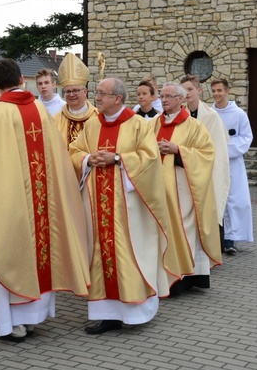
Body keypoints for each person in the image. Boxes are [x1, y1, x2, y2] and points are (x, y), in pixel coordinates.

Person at [0, 58, 90, 343]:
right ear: (22, 80)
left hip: (8, 201)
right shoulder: (40, 112)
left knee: (7, 252)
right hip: (42, 202)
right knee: (38, 252)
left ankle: (13, 325)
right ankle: (33, 318)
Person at [69, 77, 177, 335]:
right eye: (97, 93)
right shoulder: (92, 124)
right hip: (97, 205)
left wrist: (117, 158)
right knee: (99, 253)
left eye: (102, 94)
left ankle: (134, 312)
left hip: (129, 208)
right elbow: (74, 150)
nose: (97, 97)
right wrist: (87, 159)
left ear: (117, 98)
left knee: (128, 254)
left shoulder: (138, 124)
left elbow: (150, 159)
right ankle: (107, 314)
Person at [155, 83, 222, 295]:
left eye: (168, 96)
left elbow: (206, 155)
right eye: (162, 96)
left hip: (183, 189)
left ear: (180, 100)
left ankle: (186, 277)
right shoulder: (153, 125)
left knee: (183, 230)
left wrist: (178, 150)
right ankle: (164, 276)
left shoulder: (194, 126)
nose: (163, 100)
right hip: (158, 188)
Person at [181, 75, 231, 255]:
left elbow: (219, 144)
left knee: (211, 205)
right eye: (184, 90)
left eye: (190, 89)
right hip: (186, 167)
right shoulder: (180, 114)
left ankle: (212, 249)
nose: (186, 94)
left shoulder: (211, 116)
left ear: (199, 91)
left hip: (206, 168)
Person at [210, 78, 254, 255]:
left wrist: (224, 148)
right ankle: (215, 238)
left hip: (232, 162)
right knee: (215, 199)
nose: (216, 94)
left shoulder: (239, 114)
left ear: (227, 91)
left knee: (235, 200)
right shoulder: (209, 113)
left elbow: (246, 137)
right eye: (213, 91)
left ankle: (231, 238)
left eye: (219, 90)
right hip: (212, 162)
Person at [53, 53, 98, 148]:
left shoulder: (98, 117)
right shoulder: (56, 119)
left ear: (85, 91)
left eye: (75, 90)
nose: (71, 94)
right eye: (68, 91)